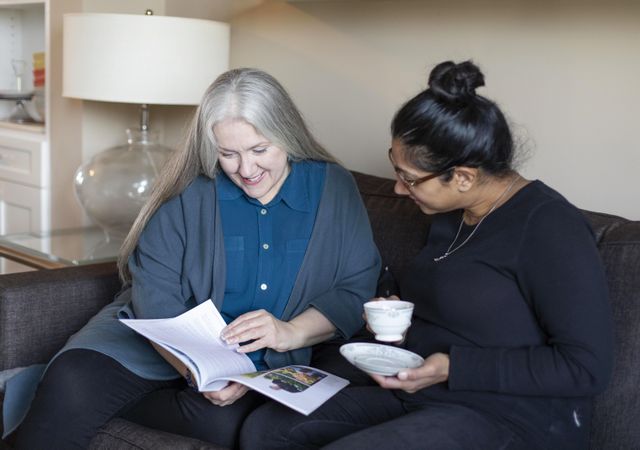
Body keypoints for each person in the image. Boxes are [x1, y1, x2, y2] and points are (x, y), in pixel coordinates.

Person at [238, 60, 614, 449]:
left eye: (410, 178)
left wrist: (452, 367)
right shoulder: (451, 215)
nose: (399, 190)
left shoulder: (550, 229)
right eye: (396, 168)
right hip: (421, 395)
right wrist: (390, 306)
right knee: (269, 428)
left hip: (509, 417)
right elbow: (453, 302)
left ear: (464, 177)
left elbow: (585, 368)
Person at [10, 68, 381, 449]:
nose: (247, 170)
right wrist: (197, 370)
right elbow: (155, 291)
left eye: (260, 150)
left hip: (266, 363)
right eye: (228, 154)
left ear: (288, 136)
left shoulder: (332, 186)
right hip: (163, 343)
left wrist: (290, 332)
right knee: (73, 378)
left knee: (222, 425)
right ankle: (62, 393)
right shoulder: (191, 188)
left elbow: (355, 287)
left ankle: (50, 394)